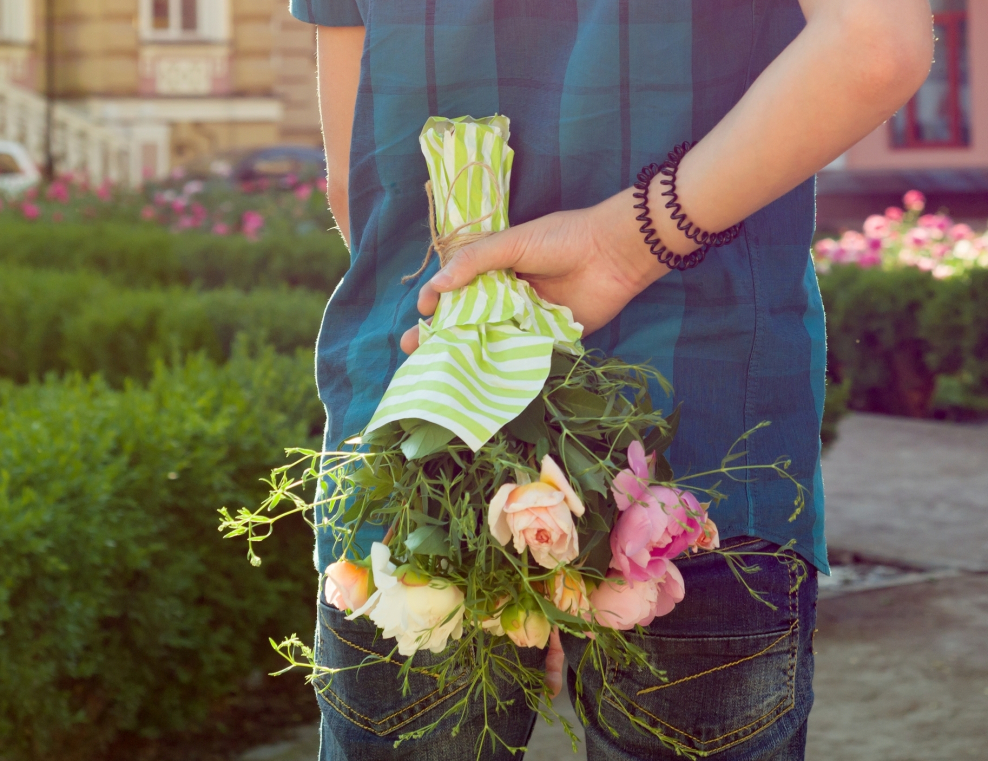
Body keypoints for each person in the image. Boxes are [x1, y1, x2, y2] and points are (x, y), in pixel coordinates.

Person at [289, 1, 933, 758]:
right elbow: (874, 45)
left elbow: (354, 182)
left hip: (421, 449)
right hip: (693, 431)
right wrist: (628, 246)